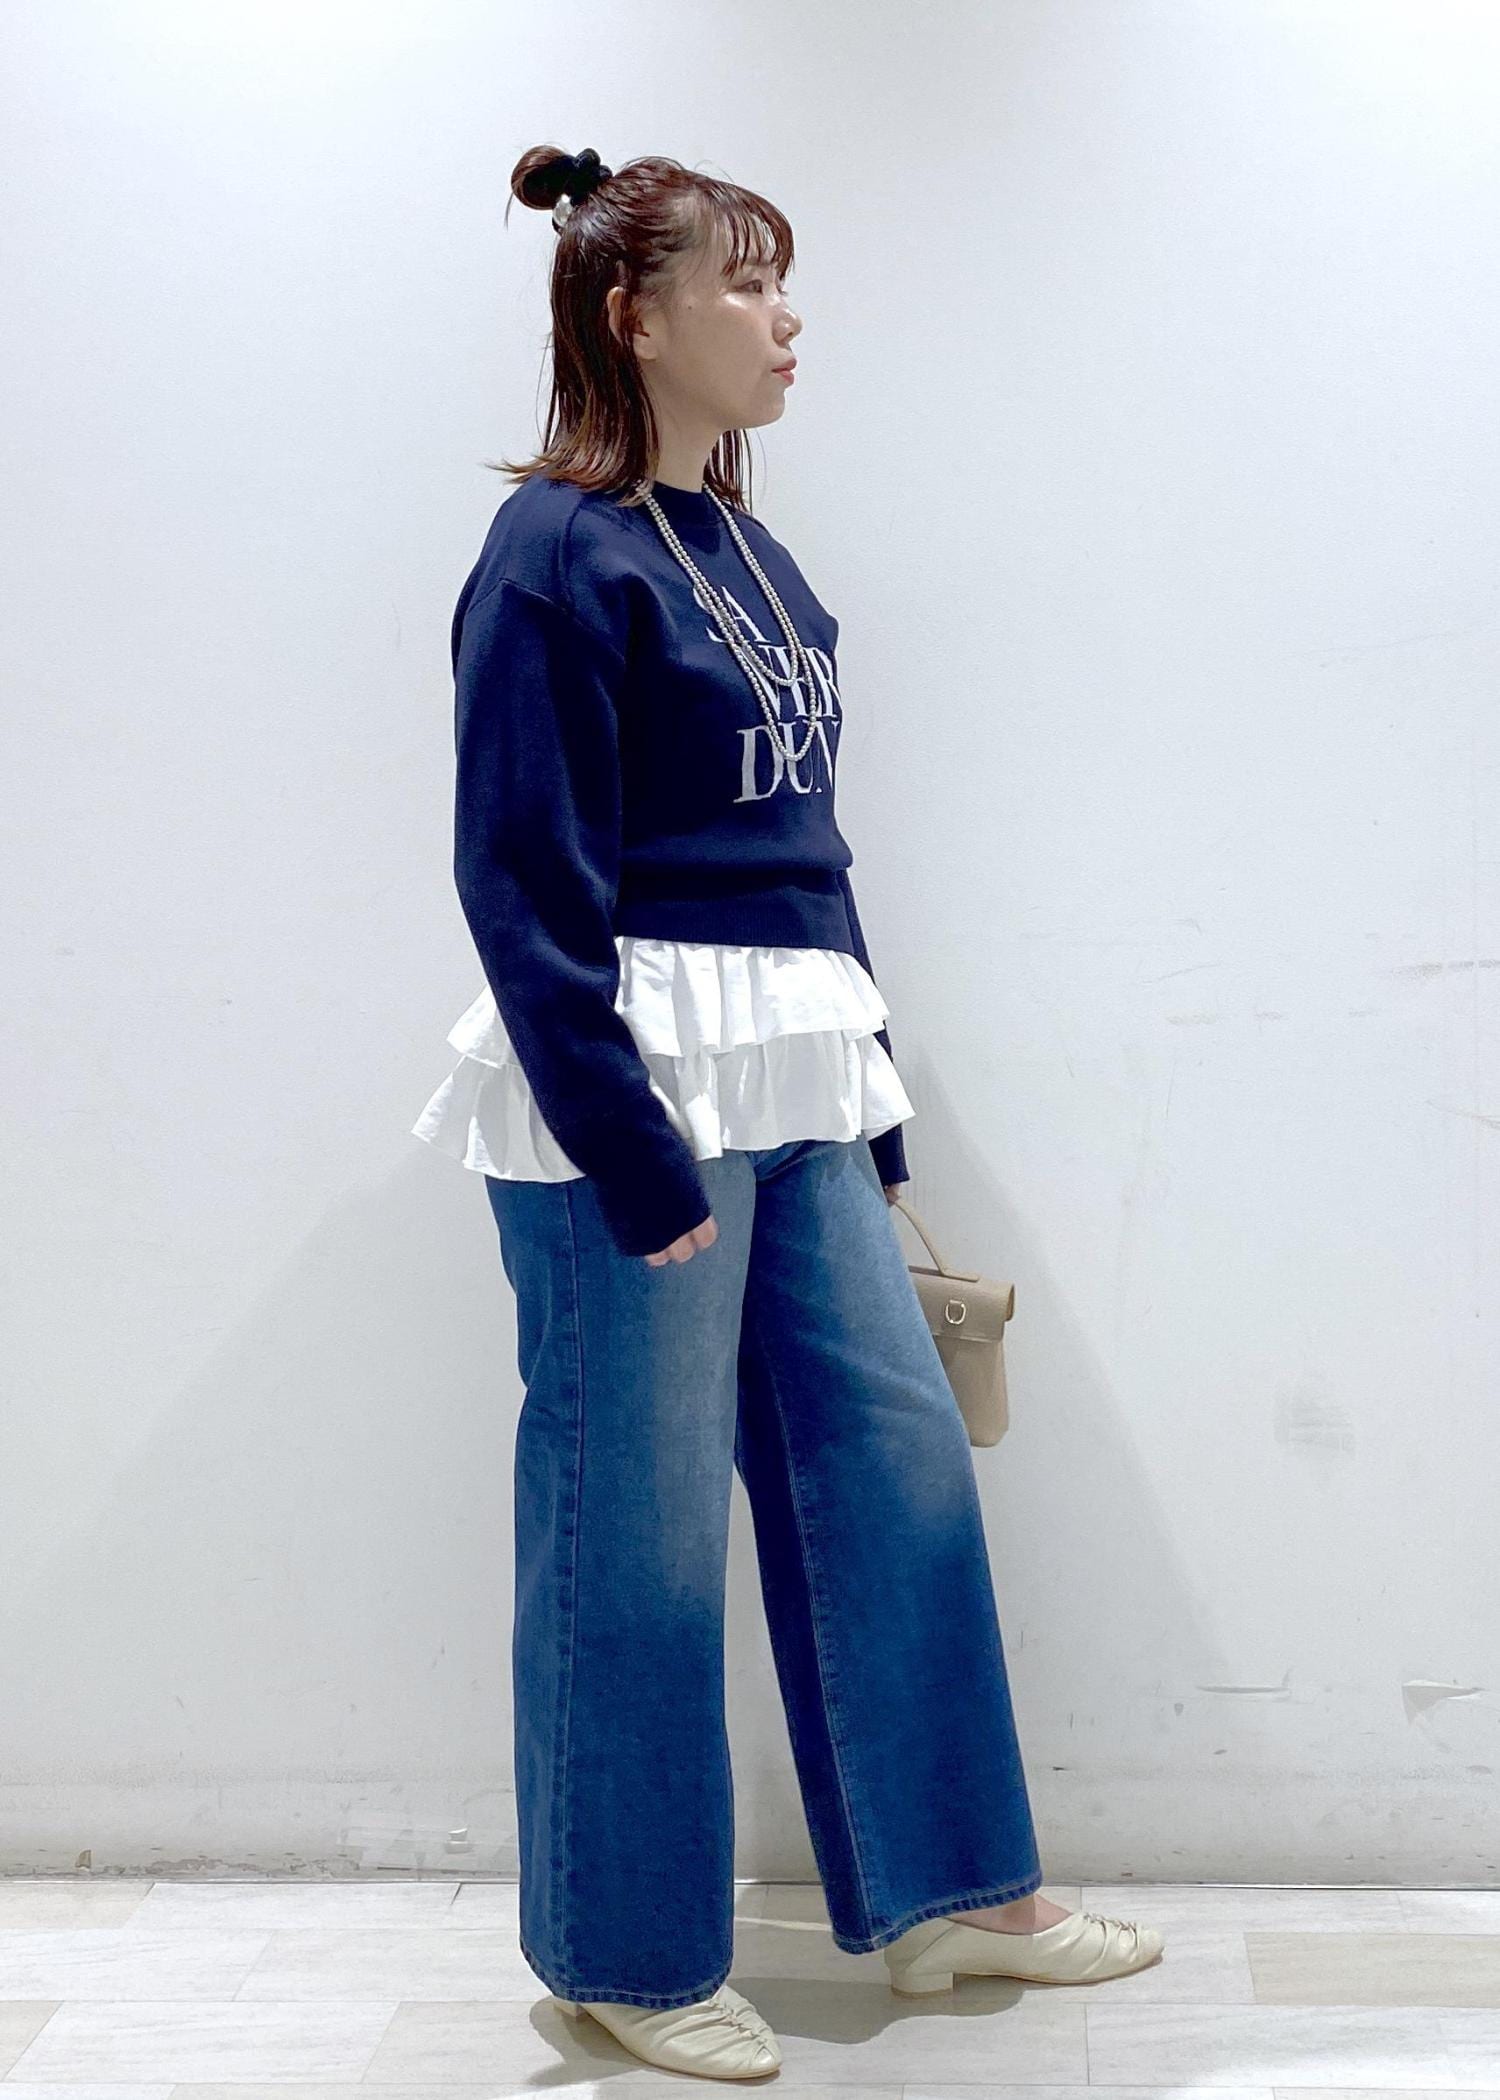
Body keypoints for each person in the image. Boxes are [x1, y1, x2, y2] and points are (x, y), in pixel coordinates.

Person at [411, 142, 1164, 2081]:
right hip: (635, 1092)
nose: (786, 317)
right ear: (632, 315)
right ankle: (624, 1954)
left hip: (800, 1070)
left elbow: (810, 853)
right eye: (744, 283)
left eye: (780, 280)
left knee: (891, 1471)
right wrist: (628, 1143)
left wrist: (876, 1108)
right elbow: (519, 881)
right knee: (635, 1527)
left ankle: (950, 1893)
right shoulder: (551, 557)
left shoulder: (749, 550)